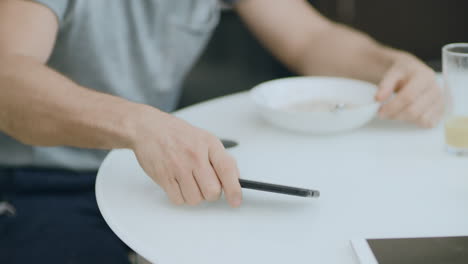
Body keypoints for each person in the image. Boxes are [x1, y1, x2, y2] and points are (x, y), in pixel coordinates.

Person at [0, 0, 445, 263]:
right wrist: (138, 124)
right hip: (43, 183)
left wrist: (390, 67)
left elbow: (311, 38)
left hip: (150, 177)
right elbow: (7, 78)